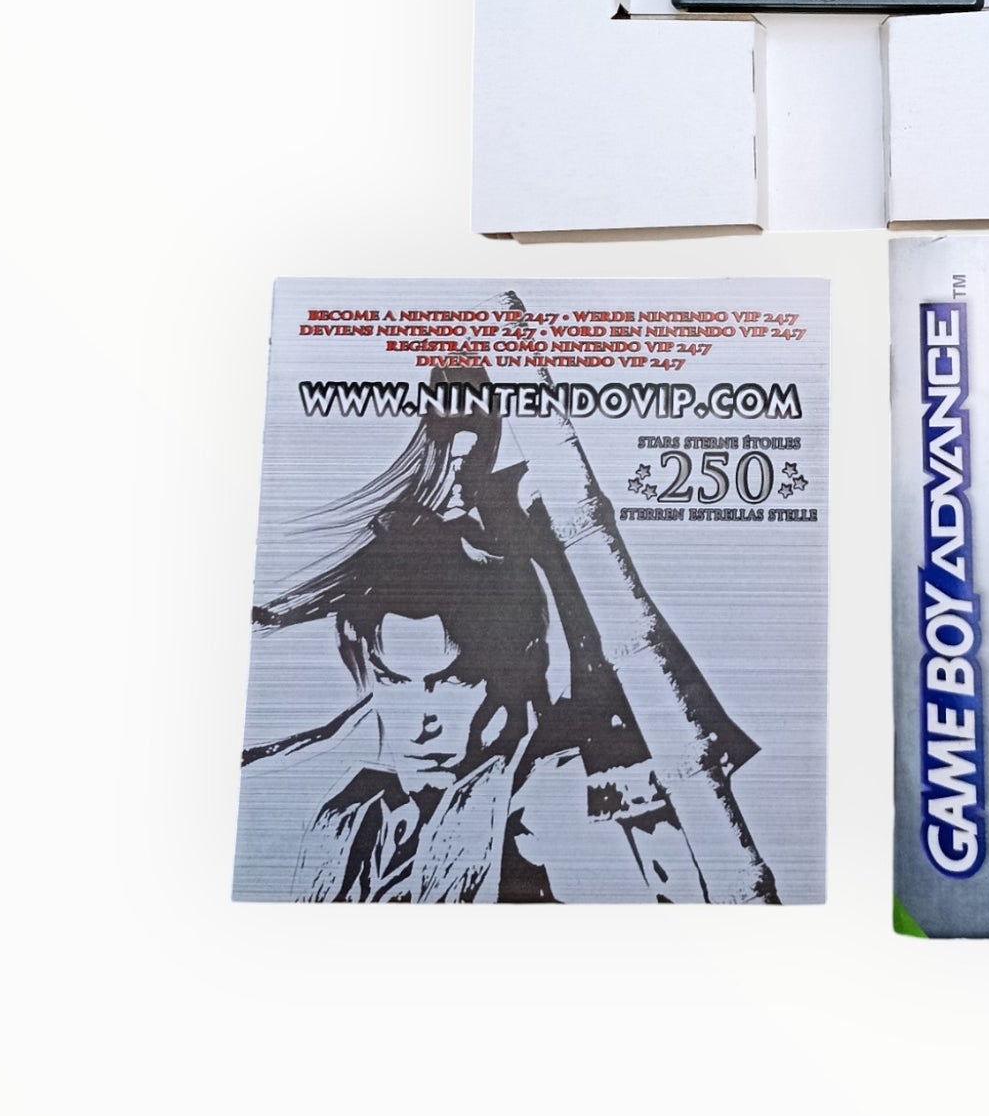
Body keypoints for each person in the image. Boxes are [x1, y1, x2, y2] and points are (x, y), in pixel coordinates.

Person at [241, 386, 771, 903]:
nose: (458, 472)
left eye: (474, 451)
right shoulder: (352, 808)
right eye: (448, 451)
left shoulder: (524, 518)